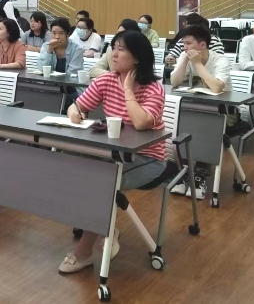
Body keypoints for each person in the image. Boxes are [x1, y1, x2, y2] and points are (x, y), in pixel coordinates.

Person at [61, 31, 166, 274]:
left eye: (121, 49)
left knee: (102, 184)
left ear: (137, 57)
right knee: (77, 170)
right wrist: (74, 113)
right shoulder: (106, 80)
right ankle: (107, 230)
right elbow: (77, 105)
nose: (114, 54)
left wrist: (128, 89)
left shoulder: (153, 88)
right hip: (113, 155)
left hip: (147, 159)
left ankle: (84, 252)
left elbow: (141, 122)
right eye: (113, 48)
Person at [169, 26, 231, 199]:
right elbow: (174, 82)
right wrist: (184, 60)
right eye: (183, 44)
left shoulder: (220, 60)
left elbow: (217, 87)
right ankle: (183, 171)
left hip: (224, 112)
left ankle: (200, 175)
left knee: (205, 125)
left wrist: (197, 64)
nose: (185, 48)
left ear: (202, 45)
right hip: (197, 108)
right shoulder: (185, 56)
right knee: (179, 123)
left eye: (188, 44)